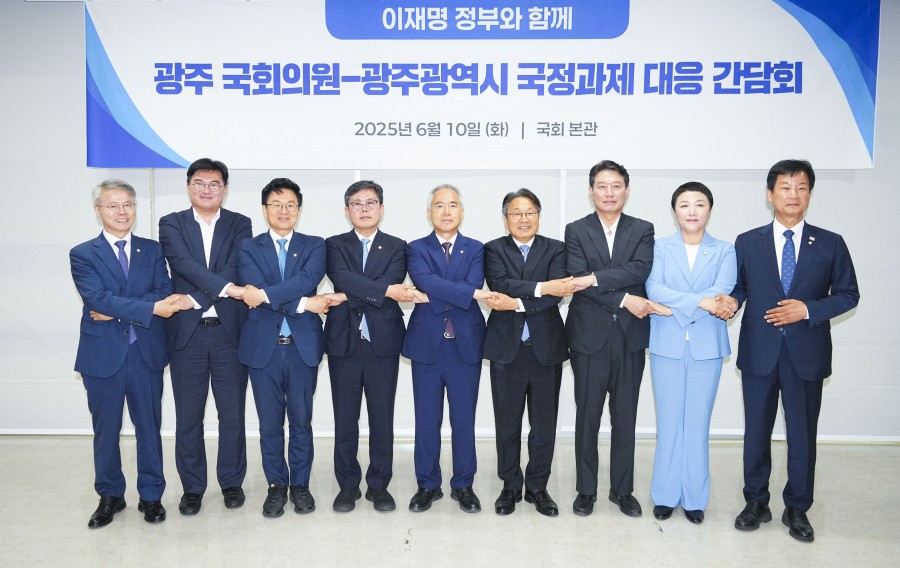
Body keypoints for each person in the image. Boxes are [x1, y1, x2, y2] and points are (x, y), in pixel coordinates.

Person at [720, 160, 859, 542]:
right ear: (770, 195)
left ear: (809, 195)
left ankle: (797, 507)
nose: (793, 195)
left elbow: (849, 294)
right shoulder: (748, 241)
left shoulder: (830, 242)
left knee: (802, 434)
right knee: (756, 432)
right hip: (760, 352)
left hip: (806, 353)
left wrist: (808, 309)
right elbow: (740, 287)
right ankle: (756, 501)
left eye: (800, 188)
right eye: (785, 187)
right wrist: (730, 302)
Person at [70, 179, 184, 527]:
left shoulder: (152, 250)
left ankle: (151, 496)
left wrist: (118, 309)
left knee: (149, 428)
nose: (122, 212)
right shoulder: (83, 253)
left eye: (128, 204)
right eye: (113, 205)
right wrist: (146, 308)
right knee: (106, 430)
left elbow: (164, 292)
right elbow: (96, 299)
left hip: (145, 352)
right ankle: (110, 496)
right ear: (98, 210)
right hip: (102, 355)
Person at [158, 158, 252, 515]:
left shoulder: (240, 223)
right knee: (188, 417)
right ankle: (193, 488)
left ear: (225, 189)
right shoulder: (171, 223)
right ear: (188, 187)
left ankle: (231, 482)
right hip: (188, 335)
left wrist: (195, 299)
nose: (207, 189)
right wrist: (220, 291)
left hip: (230, 334)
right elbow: (183, 264)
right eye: (199, 182)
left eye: (214, 184)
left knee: (232, 415)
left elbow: (235, 268)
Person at [237, 178, 335, 518]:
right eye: (276, 204)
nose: (284, 210)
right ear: (265, 209)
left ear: (299, 209)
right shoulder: (248, 248)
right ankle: (276, 485)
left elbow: (305, 281)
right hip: (261, 350)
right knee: (269, 425)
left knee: (301, 422)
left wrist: (264, 296)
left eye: (290, 204)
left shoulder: (315, 245)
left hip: (301, 348)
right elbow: (254, 286)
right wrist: (304, 304)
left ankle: (301, 485)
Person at [565, 159, 655, 517]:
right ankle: (586, 490)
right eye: (602, 186)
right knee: (587, 417)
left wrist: (596, 278)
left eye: (616, 186)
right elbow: (577, 278)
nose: (609, 192)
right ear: (591, 192)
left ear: (626, 191)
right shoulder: (576, 230)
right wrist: (624, 298)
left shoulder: (643, 229)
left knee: (625, 418)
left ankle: (622, 490)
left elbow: (639, 269)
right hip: (589, 337)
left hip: (629, 337)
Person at [645, 182, 736, 524]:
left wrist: (679, 306)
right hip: (666, 343)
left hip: (707, 345)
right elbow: (654, 288)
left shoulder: (725, 250)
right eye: (684, 204)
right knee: (669, 422)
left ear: (709, 210)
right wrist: (701, 303)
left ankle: (695, 497)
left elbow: (722, 291)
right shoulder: (659, 248)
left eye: (699, 204)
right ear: (675, 211)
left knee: (697, 423)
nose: (692, 211)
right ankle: (665, 495)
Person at [323, 180, 416, 513]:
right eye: (357, 203)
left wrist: (349, 295)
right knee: (345, 418)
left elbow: (389, 280)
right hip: (344, 342)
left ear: (381, 208)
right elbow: (343, 277)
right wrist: (383, 291)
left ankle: (379, 485)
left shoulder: (398, 246)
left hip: (383, 342)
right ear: (347, 210)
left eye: (371, 202)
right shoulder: (334, 244)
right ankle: (348, 485)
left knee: (381, 417)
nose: (364, 209)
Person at [483, 189, 573, 517]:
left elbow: (558, 293)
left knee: (543, 424)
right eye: (517, 213)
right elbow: (500, 284)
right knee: (507, 423)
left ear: (538, 215)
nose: (524, 219)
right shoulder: (493, 249)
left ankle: (537, 487)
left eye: (530, 212)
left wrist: (519, 303)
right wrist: (541, 287)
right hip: (506, 349)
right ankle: (510, 486)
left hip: (545, 348)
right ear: (506, 217)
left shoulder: (556, 248)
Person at [402, 184, 492, 513]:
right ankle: (427, 485)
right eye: (439, 205)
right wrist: (463, 295)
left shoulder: (476, 248)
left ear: (462, 211)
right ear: (429, 213)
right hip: (427, 344)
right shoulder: (416, 248)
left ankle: (463, 485)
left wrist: (432, 297)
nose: (446, 211)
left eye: (453, 205)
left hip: (465, 344)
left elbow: (472, 285)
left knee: (463, 419)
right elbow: (424, 280)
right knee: (426, 419)